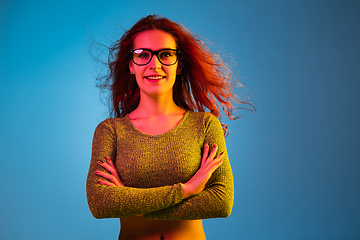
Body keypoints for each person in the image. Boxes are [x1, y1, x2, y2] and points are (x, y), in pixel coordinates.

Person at [86, 14, 251, 240]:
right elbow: (100, 204)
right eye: (143, 55)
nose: (155, 64)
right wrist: (187, 190)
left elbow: (221, 202)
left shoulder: (204, 126)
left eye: (165, 55)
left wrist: (130, 202)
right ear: (131, 66)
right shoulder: (110, 131)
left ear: (179, 64)